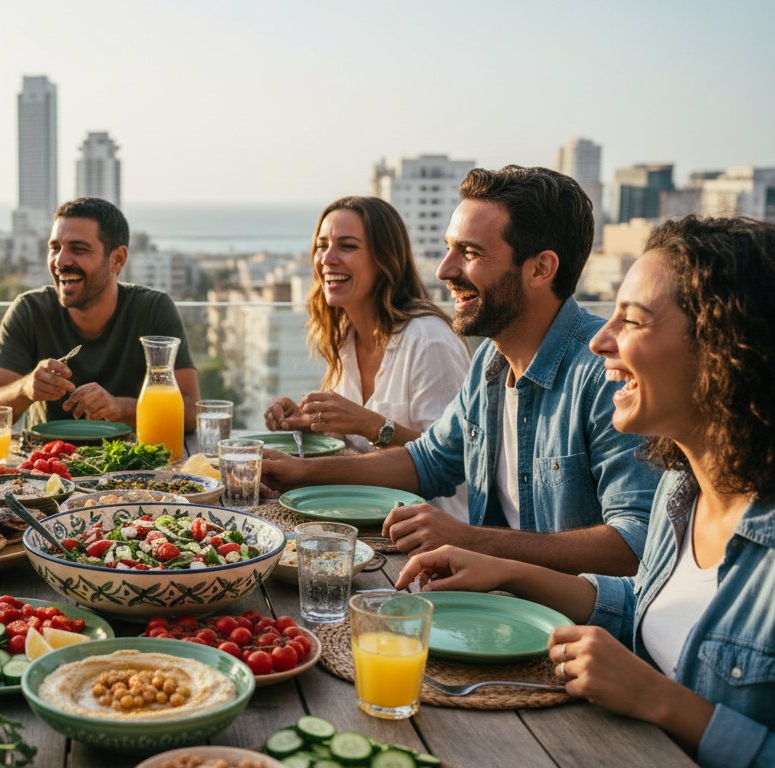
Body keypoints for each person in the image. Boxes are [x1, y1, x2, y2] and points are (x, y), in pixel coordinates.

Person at [396, 216, 775, 768]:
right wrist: (508, 571)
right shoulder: (680, 492)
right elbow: (644, 609)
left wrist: (663, 703)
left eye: (633, 321)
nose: (601, 340)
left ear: (726, 349)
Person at [263, 166, 658, 576]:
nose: (444, 270)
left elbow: (636, 544)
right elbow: (428, 460)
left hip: (570, 630)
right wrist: (299, 473)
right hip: (495, 603)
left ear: (540, 269)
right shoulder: (491, 360)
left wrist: (469, 540)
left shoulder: (606, 374)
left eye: (469, 253)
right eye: (449, 249)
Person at [263, 196, 469, 519]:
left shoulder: (429, 341)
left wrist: (367, 422)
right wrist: (310, 423)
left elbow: (451, 461)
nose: (326, 259)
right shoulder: (346, 337)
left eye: (347, 246)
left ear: (384, 259)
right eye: (321, 245)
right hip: (363, 515)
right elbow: (354, 447)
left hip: (432, 528)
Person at [0, 197, 200, 429]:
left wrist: (122, 408)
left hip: (134, 460)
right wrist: (24, 389)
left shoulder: (154, 309)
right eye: (55, 248)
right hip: (47, 462)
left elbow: (193, 412)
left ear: (117, 259)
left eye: (78, 249)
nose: (60, 261)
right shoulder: (29, 310)